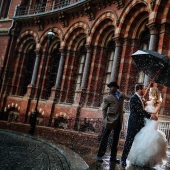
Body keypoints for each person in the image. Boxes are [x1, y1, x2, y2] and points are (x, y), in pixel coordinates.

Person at [127, 86, 167, 168]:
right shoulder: (146, 102)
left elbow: (155, 111)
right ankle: (140, 158)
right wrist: (144, 109)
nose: (148, 93)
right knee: (144, 135)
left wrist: (146, 111)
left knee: (151, 136)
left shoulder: (159, 101)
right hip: (148, 120)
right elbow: (141, 110)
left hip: (154, 121)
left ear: (153, 93)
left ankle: (149, 160)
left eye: (150, 92)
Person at [121, 84, 158, 168]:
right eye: (143, 89)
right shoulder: (133, 98)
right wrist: (150, 117)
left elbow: (142, 109)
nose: (144, 91)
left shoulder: (141, 99)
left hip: (140, 125)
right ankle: (123, 159)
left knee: (139, 142)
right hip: (133, 124)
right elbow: (139, 111)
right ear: (139, 89)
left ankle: (137, 159)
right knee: (129, 141)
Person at [97, 81, 129, 163]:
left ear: (116, 87)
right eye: (109, 87)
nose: (110, 88)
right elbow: (104, 109)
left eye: (111, 87)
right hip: (110, 120)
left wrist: (139, 96)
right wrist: (105, 119)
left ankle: (113, 157)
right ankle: (100, 155)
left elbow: (129, 98)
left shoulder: (121, 95)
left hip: (119, 120)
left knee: (116, 139)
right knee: (105, 138)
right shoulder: (107, 98)